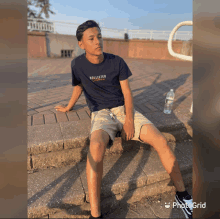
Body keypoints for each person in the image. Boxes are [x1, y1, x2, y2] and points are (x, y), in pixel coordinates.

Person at [55, 20, 193, 219]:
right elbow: (79, 85)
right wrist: (69, 106)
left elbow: (127, 93)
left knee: (161, 140)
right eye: (91, 38)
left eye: (99, 36)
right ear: (81, 44)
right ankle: (96, 214)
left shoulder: (116, 62)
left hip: (122, 109)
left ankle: (183, 195)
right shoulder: (77, 64)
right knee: (95, 147)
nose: (97, 41)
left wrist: (129, 120)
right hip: (101, 114)